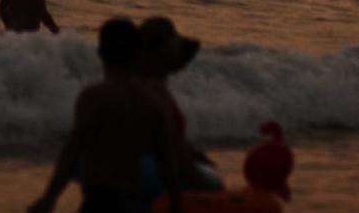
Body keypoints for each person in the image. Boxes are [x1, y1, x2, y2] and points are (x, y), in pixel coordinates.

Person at [27, 19, 182, 213]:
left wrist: (49, 198)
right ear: (137, 54)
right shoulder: (150, 103)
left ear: (100, 53)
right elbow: (165, 160)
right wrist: (177, 203)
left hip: (99, 199)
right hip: (135, 201)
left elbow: (72, 152)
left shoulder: (93, 98)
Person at [136, 17, 223, 193]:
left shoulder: (136, 82)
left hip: (139, 165)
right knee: (214, 183)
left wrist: (190, 152)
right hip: (150, 170)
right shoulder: (154, 92)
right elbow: (170, 143)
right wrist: (201, 184)